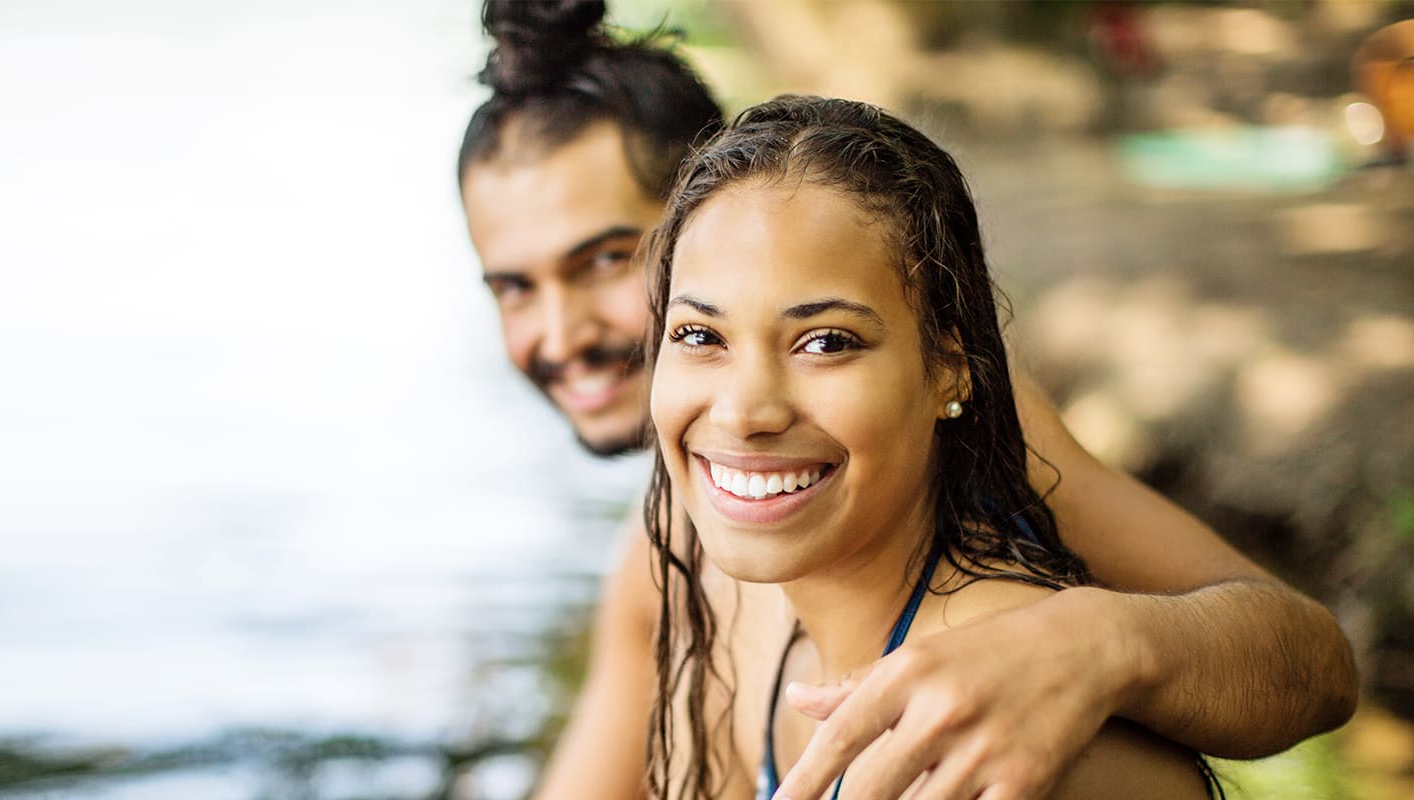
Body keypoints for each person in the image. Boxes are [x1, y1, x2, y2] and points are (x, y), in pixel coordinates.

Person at [454, 2, 1356, 798]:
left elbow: (1313, 664)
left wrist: (1098, 641)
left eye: (607, 259)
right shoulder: (675, 553)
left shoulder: (952, 411)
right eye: (514, 287)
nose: (562, 333)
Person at [643, 94, 1213, 800]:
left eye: (826, 342)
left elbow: (1316, 665)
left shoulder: (1011, 725)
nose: (744, 412)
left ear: (948, 368)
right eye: (701, 336)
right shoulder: (741, 616)